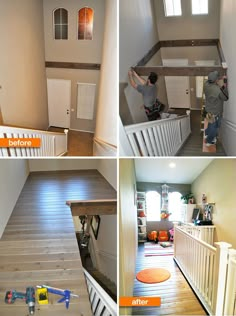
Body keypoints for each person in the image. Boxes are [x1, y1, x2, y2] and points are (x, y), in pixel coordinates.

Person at [204, 71, 229, 146]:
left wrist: (220, 81)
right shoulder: (218, 90)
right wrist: (225, 85)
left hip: (208, 110)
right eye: (217, 78)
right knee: (214, 127)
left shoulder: (206, 84)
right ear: (216, 80)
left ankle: (207, 133)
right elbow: (226, 98)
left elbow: (217, 87)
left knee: (210, 123)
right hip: (215, 112)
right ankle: (209, 141)